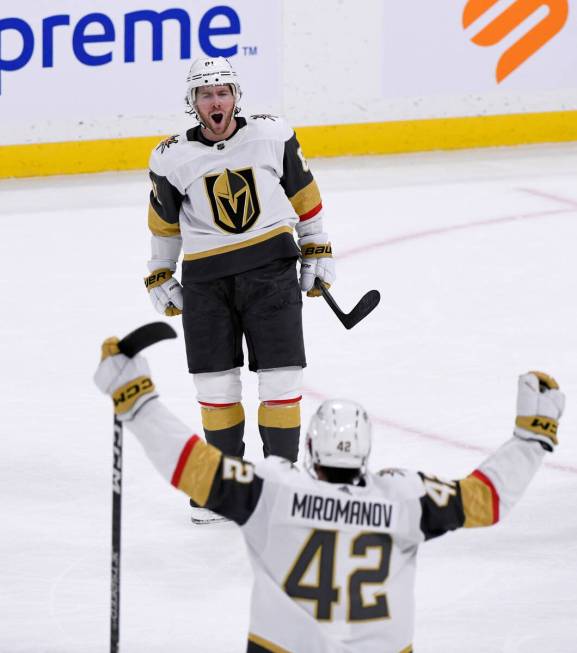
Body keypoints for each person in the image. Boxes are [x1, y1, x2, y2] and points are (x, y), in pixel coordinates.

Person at [94, 337, 565, 653]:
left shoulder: (274, 490)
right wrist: (532, 438)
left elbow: (191, 467)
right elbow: (486, 500)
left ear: (311, 449)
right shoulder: (403, 499)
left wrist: (138, 403)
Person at [143, 56, 335, 473]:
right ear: (193, 101)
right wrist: (160, 271)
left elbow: (303, 192)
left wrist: (316, 243)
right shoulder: (170, 157)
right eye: (207, 93)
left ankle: (281, 480)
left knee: (282, 378)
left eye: (223, 92)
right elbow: (164, 223)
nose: (216, 101)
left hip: (272, 271)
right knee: (215, 385)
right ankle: (230, 482)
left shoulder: (271, 134)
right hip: (205, 282)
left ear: (236, 97)